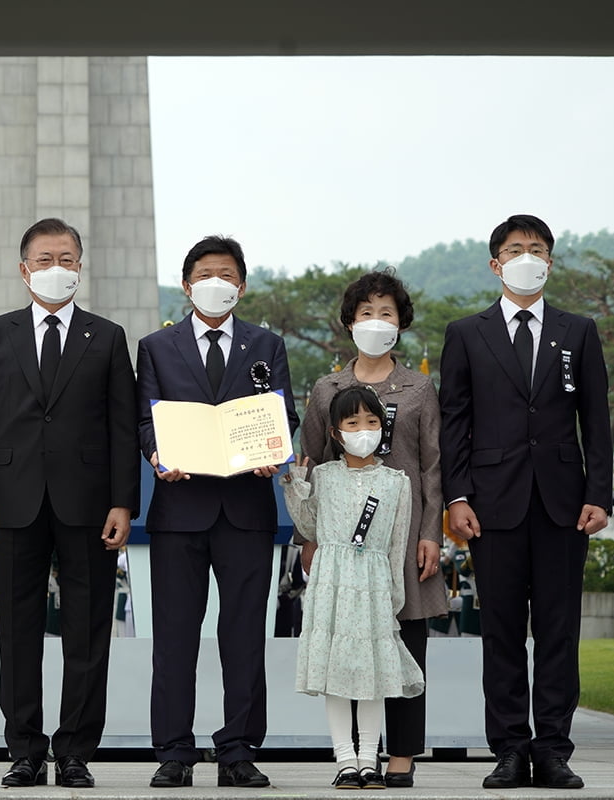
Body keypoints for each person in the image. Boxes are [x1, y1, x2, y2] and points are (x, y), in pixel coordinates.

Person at [0, 217, 140, 789]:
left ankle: (75, 751)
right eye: (44, 259)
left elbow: (121, 427)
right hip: (12, 502)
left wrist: (123, 502)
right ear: (23, 269)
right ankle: (24, 749)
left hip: (89, 505)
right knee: (17, 632)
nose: (56, 268)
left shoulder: (107, 336)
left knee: (88, 632)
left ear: (80, 266)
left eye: (66, 258)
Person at [439, 214, 611, 790]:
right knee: (504, 631)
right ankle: (510, 748)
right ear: (496, 263)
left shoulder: (578, 330)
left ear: (550, 262)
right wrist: (457, 496)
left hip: (565, 504)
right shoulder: (467, 333)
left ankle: (554, 749)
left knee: (560, 630)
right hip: (492, 505)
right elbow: (455, 421)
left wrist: (599, 495)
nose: (527, 257)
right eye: (516, 249)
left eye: (537, 249)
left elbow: (598, 422)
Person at [136, 235, 299, 789]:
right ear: (186, 286)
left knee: (244, 636)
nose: (217, 282)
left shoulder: (267, 344)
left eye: (227, 274)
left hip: (247, 508)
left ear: (242, 286)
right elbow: (144, 420)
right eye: (206, 273)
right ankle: (174, 751)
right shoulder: (156, 347)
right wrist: (158, 454)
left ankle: (238, 748)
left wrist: (271, 451)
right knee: (175, 637)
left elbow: (283, 413)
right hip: (180, 508)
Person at [298, 269, 448, 787]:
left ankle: (401, 753)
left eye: (386, 313)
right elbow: (310, 464)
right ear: (349, 323)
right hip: (342, 541)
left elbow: (432, 467)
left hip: (404, 535)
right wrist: (309, 539)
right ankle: (351, 754)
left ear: (400, 323)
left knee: (404, 636)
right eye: (366, 313)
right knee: (346, 640)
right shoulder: (327, 389)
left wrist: (432, 533)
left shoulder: (420, 388)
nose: (376, 322)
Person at [283, 386, 424, 790]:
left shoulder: (397, 481)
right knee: (337, 672)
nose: (364, 429)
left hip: (374, 585)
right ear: (335, 432)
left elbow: (398, 545)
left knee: (372, 674)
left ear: (383, 427)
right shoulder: (324, 476)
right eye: (353, 423)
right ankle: (345, 758)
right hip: (331, 582)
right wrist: (296, 486)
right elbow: (309, 527)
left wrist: (394, 596)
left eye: (372, 422)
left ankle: (369, 759)